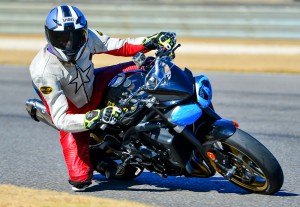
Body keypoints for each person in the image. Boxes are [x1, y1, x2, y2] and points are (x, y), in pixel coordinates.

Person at [29, 4, 176, 191]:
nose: (70, 44)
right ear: (50, 36)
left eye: (76, 36)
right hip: (73, 109)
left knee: (147, 64)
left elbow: (119, 45)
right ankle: (99, 159)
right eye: (63, 38)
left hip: (94, 84)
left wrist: (152, 40)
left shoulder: (88, 36)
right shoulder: (42, 70)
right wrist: (94, 117)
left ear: (83, 32)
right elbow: (61, 119)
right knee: (80, 182)